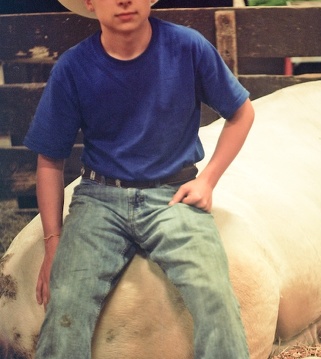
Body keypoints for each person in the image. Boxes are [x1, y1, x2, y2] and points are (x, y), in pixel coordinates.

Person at [23, 0, 254, 357]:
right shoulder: (74, 66)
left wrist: (207, 180)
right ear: (89, 3)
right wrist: (53, 242)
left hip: (172, 192)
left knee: (214, 291)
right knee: (66, 300)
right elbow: (50, 158)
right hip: (100, 197)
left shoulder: (187, 47)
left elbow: (242, 113)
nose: (124, 0)